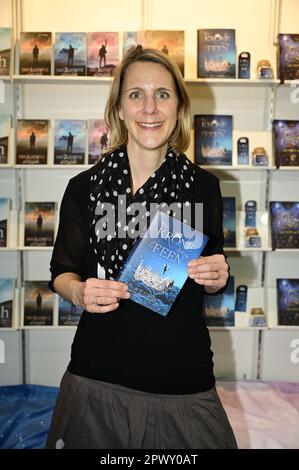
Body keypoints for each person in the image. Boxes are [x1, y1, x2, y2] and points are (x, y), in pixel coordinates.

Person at [46, 47, 237, 449]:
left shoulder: (204, 187)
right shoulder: (84, 188)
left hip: (181, 380)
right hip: (97, 375)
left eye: (162, 94)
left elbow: (213, 275)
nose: (149, 107)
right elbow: (61, 272)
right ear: (118, 107)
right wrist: (79, 291)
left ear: (179, 106)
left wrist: (218, 277)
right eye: (136, 94)